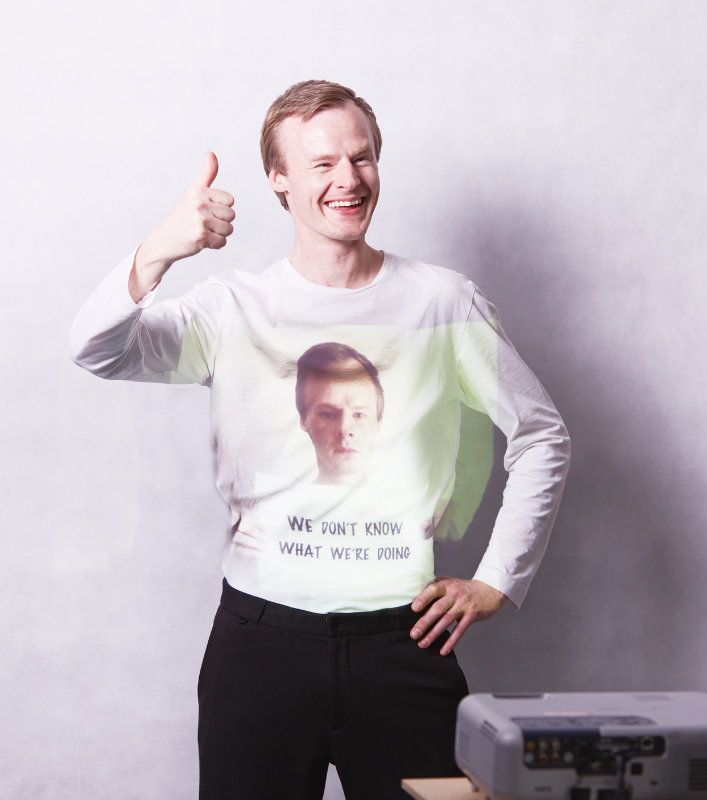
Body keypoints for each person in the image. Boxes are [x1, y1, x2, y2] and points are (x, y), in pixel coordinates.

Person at [69, 80, 571, 800]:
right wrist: (160, 251)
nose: (349, 180)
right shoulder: (234, 309)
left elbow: (541, 435)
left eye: (362, 159)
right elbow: (95, 348)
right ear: (278, 178)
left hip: (405, 647)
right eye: (323, 163)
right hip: (259, 652)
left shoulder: (440, 301)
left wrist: (498, 579)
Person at [296, 342, 383, 486]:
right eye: (328, 415)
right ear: (304, 420)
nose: (345, 430)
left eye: (359, 415)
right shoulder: (277, 506)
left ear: (378, 423)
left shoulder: (405, 504)